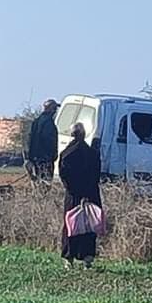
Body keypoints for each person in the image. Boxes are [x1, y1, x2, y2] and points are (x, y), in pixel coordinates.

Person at [58, 122, 102, 269]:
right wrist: (87, 192)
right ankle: (87, 258)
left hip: (73, 196)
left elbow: (64, 176)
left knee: (71, 225)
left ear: (72, 134)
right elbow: (96, 175)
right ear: (84, 135)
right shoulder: (92, 153)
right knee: (89, 226)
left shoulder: (66, 154)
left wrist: (73, 190)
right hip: (91, 195)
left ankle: (68, 257)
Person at [26, 100, 59, 181]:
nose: (55, 111)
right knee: (45, 183)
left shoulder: (36, 121)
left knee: (38, 182)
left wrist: (30, 158)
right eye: (54, 109)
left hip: (35, 159)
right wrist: (52, 155)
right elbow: (49, 141)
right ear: (51, 109)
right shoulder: (48, 123)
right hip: (45, 160)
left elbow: (30, 140)